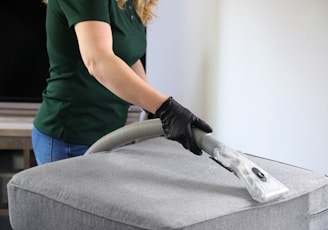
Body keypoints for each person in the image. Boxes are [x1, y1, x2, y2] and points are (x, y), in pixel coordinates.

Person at [32, 0, 212, 165]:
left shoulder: (130, 3)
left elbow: (128, 57)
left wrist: (152, 109)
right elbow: (98, 60)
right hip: (70, 138)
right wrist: (166, 109)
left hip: (110, 133)